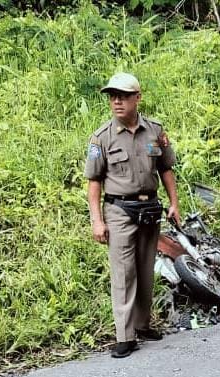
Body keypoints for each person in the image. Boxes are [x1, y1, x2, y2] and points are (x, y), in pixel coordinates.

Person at [85, 72, 181, 358]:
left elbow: (166, 169)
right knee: (123, 273)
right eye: (113, 96)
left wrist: (174, 203)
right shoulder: (101, 138)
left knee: (144, 268)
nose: (117, 101)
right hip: (119, 210)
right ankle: (125, 336)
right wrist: (97, 220)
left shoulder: (155, 131)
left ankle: (142, 324)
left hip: (149, 208)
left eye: (124, 96)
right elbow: (94, 182)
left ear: (137, 98)